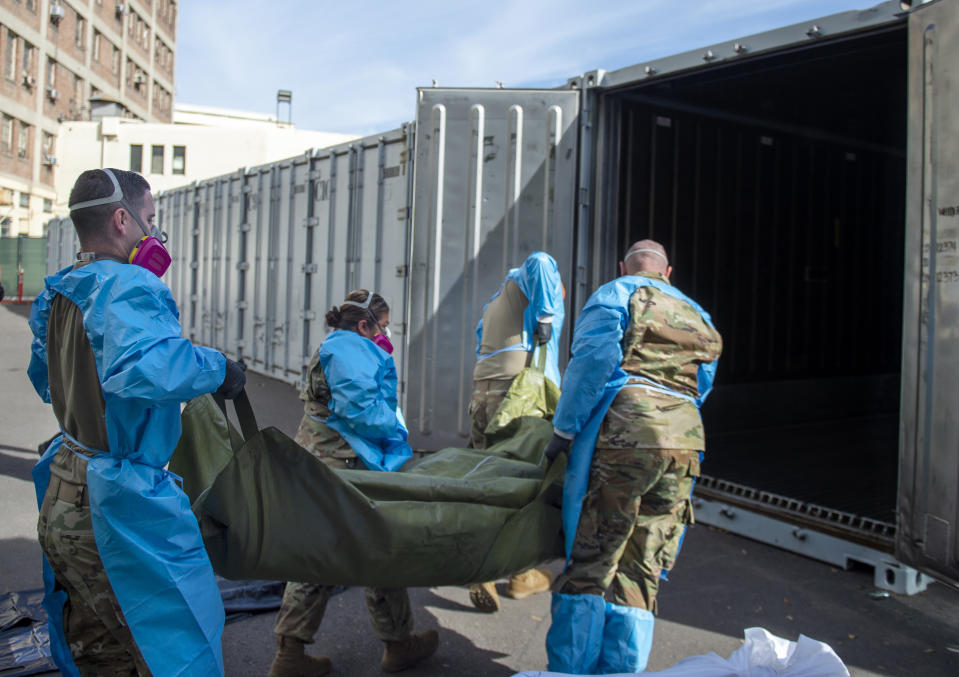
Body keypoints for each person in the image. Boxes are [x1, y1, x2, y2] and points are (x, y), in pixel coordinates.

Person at [28, 168, 247, 675]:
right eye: (150, 220)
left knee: (100, 653)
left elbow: (46, 383)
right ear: (122, 220)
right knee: (175, 645)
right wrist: (217, 369)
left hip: (64, 490)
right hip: (116, 508)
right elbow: (147, 367)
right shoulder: (128, 285)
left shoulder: (61, 291)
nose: (154, 235)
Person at [542, 239, 722, 674]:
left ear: (624, 266)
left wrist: (563, 430)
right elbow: (704, 383)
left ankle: (570, 670)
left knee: (593, 556)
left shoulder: (617, 292)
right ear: (668, 272)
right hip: (686, 442)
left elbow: (593, 360)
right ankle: (621, 669)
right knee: (644, 562)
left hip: (628, 432)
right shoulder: (698, 313)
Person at [269, 289, 439, 676]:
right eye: (383, 325)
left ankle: (292, 652)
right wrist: (395, 427)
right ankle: (397, 643)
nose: (387, 333)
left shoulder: (336, 345)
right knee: (377, 550)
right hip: (343, 468)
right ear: (364, 325)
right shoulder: (350, 351)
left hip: (321, 463)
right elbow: (361, 410)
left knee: (322, 555)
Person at [467, 251, 565, 613]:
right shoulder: (531, 278)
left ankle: (522, 573)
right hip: (515, 397)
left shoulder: (497, 302)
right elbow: (541, 260)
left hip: (484, 394)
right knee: (521, 484)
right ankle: (490, 567)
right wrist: (546, 317)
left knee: (484, 479)